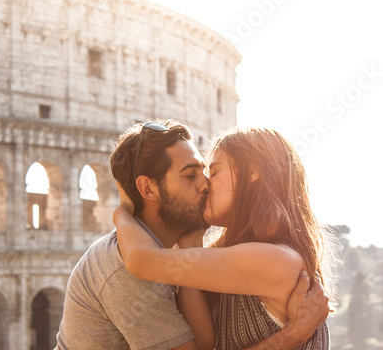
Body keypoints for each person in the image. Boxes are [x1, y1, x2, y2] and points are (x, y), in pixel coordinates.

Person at [55, 121, 330, 349]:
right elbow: (205, 342)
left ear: (253, 175)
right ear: (148, 189)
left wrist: (122, 214)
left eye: (214, 171)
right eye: (191, 175)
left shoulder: (277, 260)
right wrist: (291, 336)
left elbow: (142, 261)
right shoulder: (123, 266)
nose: (206, 185)